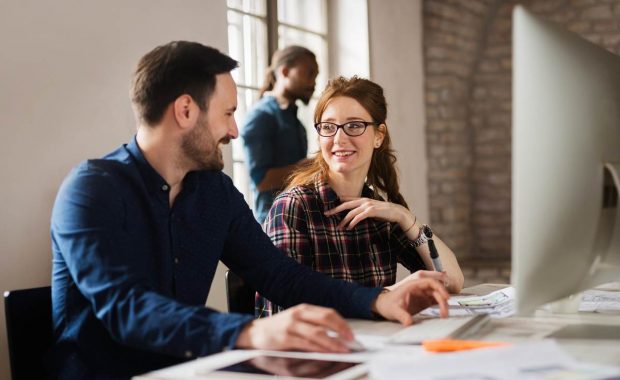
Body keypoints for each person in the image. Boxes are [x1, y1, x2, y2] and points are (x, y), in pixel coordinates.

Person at [50, 42, 450, 379]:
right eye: (227, 113)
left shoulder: (213, 191)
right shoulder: (90, 190)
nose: (235, 131)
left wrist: (378, 300)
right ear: (186, 111)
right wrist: (253, 333)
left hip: (195, 371)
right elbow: (128, 308)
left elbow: (278, 274)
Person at [258, 76, 464, 316]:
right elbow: (288, 310)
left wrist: (405, 217)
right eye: (328, 127)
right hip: (316, 351)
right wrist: (386, 296)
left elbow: (452, 281)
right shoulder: (294, 207)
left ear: (379, 136)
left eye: (354, 125)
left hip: (378, 346)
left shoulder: (380, 212)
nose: (339, 139)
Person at [241, 46, 317, 223]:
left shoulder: (297, 123)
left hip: (297, 218)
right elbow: (261, 180)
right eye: (309, 73)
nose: (314, 82)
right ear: (284, 71)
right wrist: (311, 166)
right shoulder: (261, 116)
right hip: (272, 224)